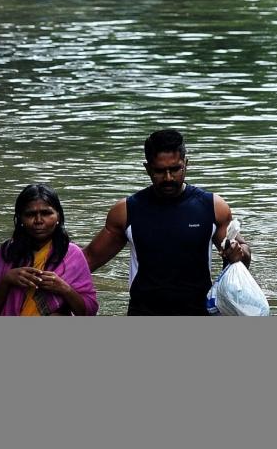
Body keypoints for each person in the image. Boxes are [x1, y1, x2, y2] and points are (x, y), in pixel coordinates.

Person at [83, 129, 252, 316]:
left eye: (175, 169)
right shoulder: (126, 212)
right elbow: (88, 259)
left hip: (198, 313)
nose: (169, 178)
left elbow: (242, 251)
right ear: (147, 168)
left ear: (186, 164)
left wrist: (238, 252)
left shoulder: (212, 207)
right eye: (159, 171)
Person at [0, 183, 99, 316]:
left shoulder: (72, 255)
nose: (38, 220)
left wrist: (63, 288)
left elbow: (89, 312)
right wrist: (7, 280)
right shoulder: (6, 254)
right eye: (30, 214)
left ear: (58, 216)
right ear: (20, 218)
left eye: (46, 213)